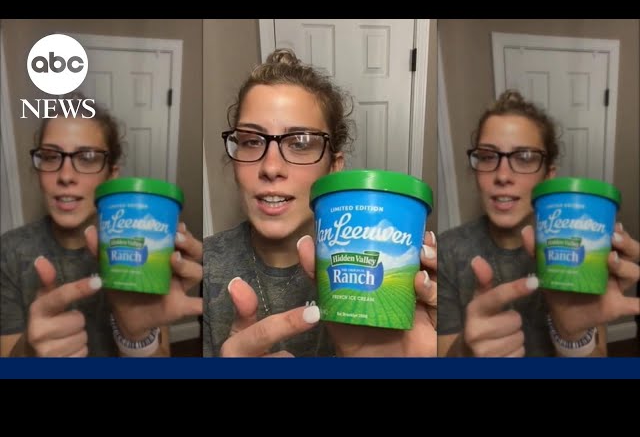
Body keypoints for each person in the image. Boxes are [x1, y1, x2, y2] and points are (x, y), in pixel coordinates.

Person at [203, 49, 437, 357]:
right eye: (251, 141)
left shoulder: (399, 271)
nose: (271, 167)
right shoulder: (206, 266)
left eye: (300, 143)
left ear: (334, 168)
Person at [438, 90, 640, 357]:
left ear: (548, 177)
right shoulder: (447, 250)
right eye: (487, 156)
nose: (503, 175)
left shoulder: (582, 246)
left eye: (524, 157)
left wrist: (572, 335)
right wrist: (466, 352)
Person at [0, 95, 203, 357]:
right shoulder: (9, 252)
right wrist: (29, 352)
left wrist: (136, 337)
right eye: (50, 156)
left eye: (87, 157)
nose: (66, 176)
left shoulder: (145, 243)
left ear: (112, 176)